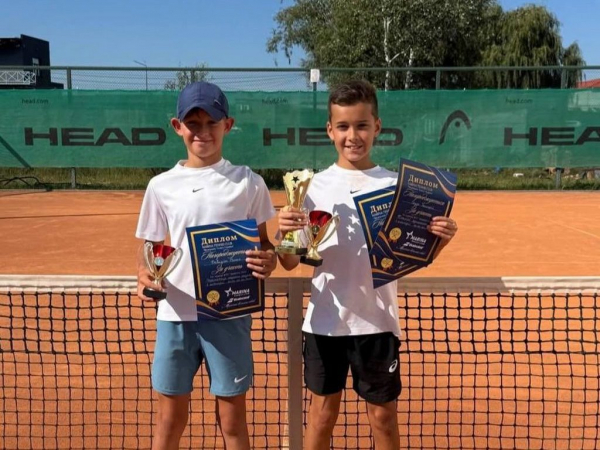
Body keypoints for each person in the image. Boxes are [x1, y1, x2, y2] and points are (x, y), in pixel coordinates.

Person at [277, 80, 458, 450]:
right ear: (330, 130)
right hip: (325, 322)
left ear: (377, 126)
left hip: (377, 323)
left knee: (383, 418)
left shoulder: (397, 186)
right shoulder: (311, 187)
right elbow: (291, 262)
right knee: (322, 415)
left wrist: (439, 240)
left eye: (361, 125)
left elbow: (411, 256)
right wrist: (286, 233)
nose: (352, 136)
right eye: (343, 126)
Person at [135, 81, 277, 450]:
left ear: (227, 125)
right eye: (193, 123)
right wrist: (145, 276)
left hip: (228, 315)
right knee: (170, 419)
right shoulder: (160, 186)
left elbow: (265, 244)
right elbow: (151, 253)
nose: (203, 132)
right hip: (175, 316)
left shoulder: (249, 183)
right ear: (177, 126)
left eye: (211, 122)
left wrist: (268, 260)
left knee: (232, 421)